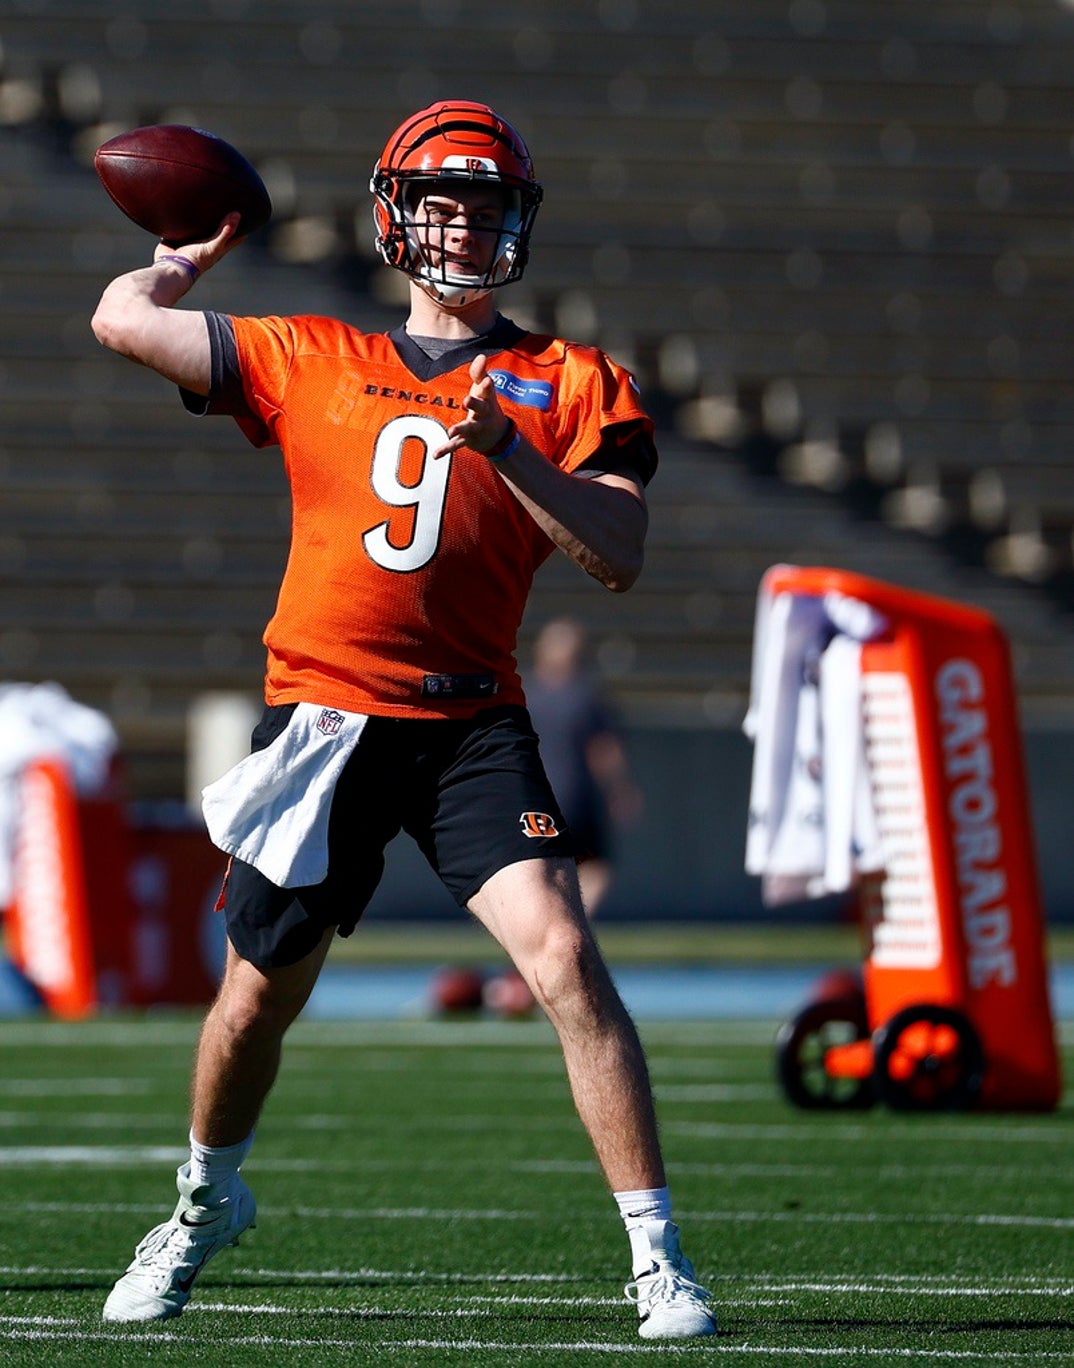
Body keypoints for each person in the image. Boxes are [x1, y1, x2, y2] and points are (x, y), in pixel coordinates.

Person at [90, 99, 715, 1341]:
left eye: (487, 205)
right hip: (325, 722)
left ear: (517, 224)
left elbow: (621, 553)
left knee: (566, 962)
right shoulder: (309, 352)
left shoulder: (572, 380)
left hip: (473, 727)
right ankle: (203, 1202)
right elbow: (121, 320)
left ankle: (658, 1257)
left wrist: (513, 456)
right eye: (442, 201)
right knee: (254, 1003)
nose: (464, 225)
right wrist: (179, 258)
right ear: (394, 216)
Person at [526, 616, 643, 917]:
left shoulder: (524, 695)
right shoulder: (586, 697)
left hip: (532, 799)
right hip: (574, 797)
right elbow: (604, 750)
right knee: (596, 866)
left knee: (541, 871)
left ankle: (552, 925)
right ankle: (572, 921)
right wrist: (620, 790)